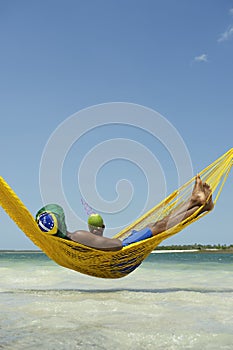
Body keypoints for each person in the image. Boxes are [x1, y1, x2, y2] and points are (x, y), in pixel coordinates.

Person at [36, 175, 214, 251]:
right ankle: (198, 204)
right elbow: (115, 245)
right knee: (160, 226)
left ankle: (196, 202)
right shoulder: (78, 236)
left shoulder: (63, 243)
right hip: (124, 249)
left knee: (157, 225)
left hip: (119, 254)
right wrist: (124, 239)